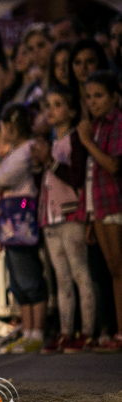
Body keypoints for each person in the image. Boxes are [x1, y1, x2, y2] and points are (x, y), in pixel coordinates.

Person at [30, 85, 95, 353]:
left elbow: (76, 178)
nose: (51, 111)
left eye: (58, 105)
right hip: (51, 216)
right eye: (48, 105)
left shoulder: (74, 140)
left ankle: (88, 331)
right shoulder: (51, 141)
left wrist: (50, 162)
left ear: (71, 110)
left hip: (71, 214)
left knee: (80, 273)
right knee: (61, 277)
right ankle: (66, 331)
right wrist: (40, 164)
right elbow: (44, 181)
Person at [0, 104, 47, 354]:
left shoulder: (26, 151)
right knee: (18, 280)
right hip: (12, 222)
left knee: (29, 276)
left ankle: (37, 332)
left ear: (9, 127)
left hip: (22, 220)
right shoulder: (16, 151)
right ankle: (27, 330)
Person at [77, 71, 122, 351]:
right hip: (100, 205)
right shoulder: (95, 126)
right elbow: (90, 173)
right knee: (113, 270)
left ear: (114, 97)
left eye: (99, 96)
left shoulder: (116, 122)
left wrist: (86, 142)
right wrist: (89, 215)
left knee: (119, 269)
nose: (93, 102)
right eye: (89, 97)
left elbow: (113, 165)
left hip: (114, 201)